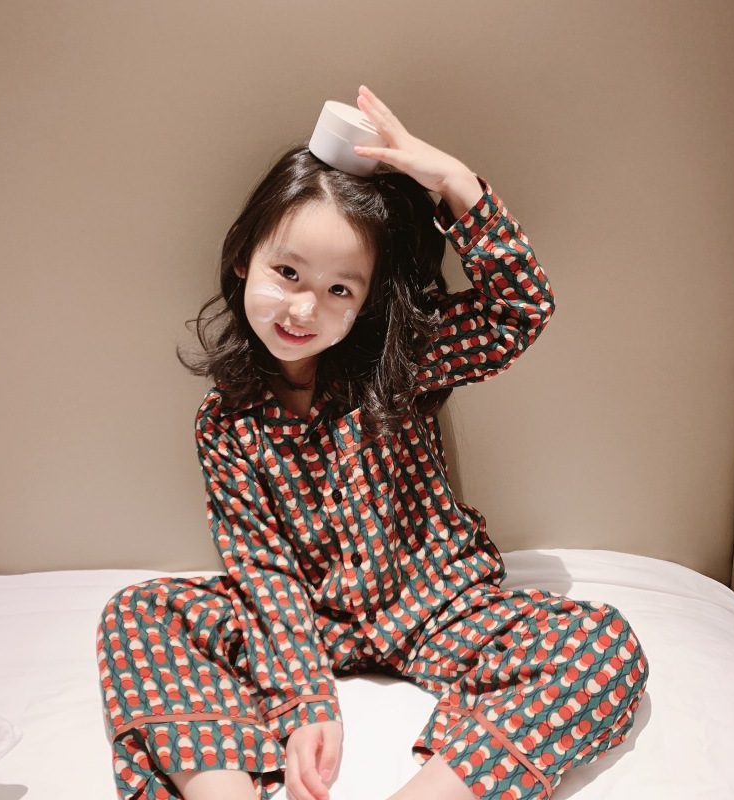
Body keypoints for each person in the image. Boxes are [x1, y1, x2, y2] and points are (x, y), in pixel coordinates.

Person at [96, 86, 648, 800]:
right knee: (141, 612)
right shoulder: (226, 422)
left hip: (438, 607)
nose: (303, 308)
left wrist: (453, 182)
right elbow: (263, 571)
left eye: (339, 291)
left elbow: (518, 310)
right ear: (243, 258)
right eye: (287, 273)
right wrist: (306, 702)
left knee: (603, 644)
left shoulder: (401, 364)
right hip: (312, 624)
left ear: (364, 304)